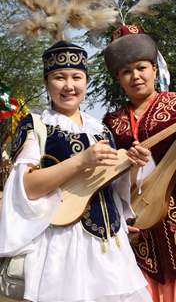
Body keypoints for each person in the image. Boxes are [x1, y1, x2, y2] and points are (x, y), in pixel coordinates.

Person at [0, 40, 154, 302]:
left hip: (112, 247)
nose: (69, 86)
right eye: (59, 77)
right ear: (47, 82)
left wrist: (132, 167)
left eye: (77, 77)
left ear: (86, 81)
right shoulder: (36, 124)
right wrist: (81, 160)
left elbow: (115, 190)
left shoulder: (101, 129)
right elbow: (27, 187)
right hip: (63, 244)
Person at [103, 24, 176, 302]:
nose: (136, 76)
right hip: (141, 232)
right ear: (119, 78)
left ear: (154, 68)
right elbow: (106, 179)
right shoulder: (111, 122)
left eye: (141, 67)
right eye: (126, 72)